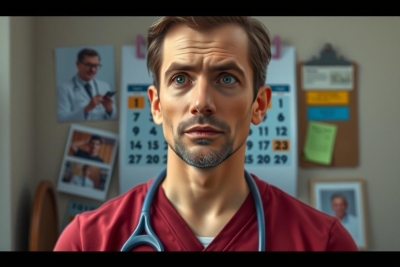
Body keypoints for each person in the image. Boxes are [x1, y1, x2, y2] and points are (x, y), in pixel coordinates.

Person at [54, 16, 358, 251]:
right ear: (156, 105)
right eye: (180, 78)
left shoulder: (325, 242)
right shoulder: (85, 241)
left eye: (226, 78)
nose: (201, 103)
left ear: (259, 105)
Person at [57, 48, 117, 122]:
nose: (93, 70)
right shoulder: (64, 89)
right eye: (89, 65)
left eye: (96, 66)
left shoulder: (105, 86)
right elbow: (62, 119)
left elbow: (114, 117)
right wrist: (86, 109)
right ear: (78, 64)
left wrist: (109, 110)